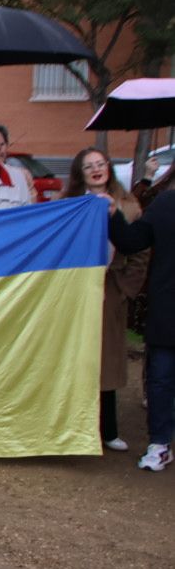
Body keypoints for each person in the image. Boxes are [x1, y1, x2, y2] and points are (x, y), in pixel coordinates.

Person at [68, 148, 146, 453]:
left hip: (109, 288)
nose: (96, 169)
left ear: (109, 169)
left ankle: (108, 428)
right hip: (75, 288)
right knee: (76, 354)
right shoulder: (70, 204)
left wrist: (126, 287)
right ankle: (75, 424)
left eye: (101, 164)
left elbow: (140, 251)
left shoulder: (128, 204)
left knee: (106, 358)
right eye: (89, 166)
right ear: (80, 173)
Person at [109, 183, 175, 471]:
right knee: (160, 380)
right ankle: (159, 444)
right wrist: (112, 215)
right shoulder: (165, 204)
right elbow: (132, 241)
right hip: (168, 308)